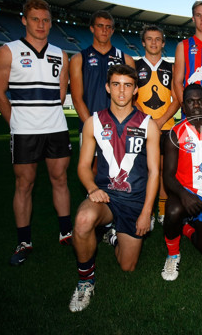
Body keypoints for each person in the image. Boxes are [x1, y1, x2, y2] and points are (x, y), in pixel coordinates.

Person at [68, 64, 160, 312]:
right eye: (116, 85)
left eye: (128, 85)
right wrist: (91, 188)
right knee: (83, 220)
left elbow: (154, 172)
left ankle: (115, 235)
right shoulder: (93, 123)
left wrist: (146, 212)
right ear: (108, 87)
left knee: (127, 266)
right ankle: (85, 281)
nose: (121, 91)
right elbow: (83, 167)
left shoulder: (149, 125)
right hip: (106, 197)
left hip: (134, 201)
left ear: (135, 90)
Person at [0, 0, 73, 266]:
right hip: (24, 131)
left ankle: (66, 232)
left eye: (46, 20)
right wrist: (16, 122)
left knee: (60, 179)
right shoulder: (8, 51)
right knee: (24, 184)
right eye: (35, 19)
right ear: (24, 20)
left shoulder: (61, 54)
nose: (41, 24)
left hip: (57, 127)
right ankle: (24, 241)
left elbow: (60, 96)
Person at [160, 84, 202, 281]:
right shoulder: (175, 133)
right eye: (191, 101)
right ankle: (173, 254)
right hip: (185, 194)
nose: (196, 105)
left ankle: (187, 228)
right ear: (184, 106)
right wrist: (183, 195)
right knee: (172, 211)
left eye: (200, 101)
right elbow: (168, 176)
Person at [135, 25, 179, 227]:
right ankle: (146, 211)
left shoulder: (171, 68)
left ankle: (161, 211)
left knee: (162, 171)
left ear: (163, 43)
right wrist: (146, 120)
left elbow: (177, 99)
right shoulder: (134, 66)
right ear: (143, 42)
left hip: (166, 127)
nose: (153, 42)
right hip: (140, 127)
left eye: (158, 39)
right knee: (141, 170)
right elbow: (130, 99)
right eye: (149, 39)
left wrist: (160, 122)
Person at [70, 10, 135, 135]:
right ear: (92, 28)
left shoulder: (126, 59)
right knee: (91, 156)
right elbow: (77, 99)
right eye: (100, 26)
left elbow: (132, 97)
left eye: (108, 27)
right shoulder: (78, 59)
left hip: (119, 127)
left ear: (112, 30)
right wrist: (92, 127)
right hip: (89, 125)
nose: (104, 30)